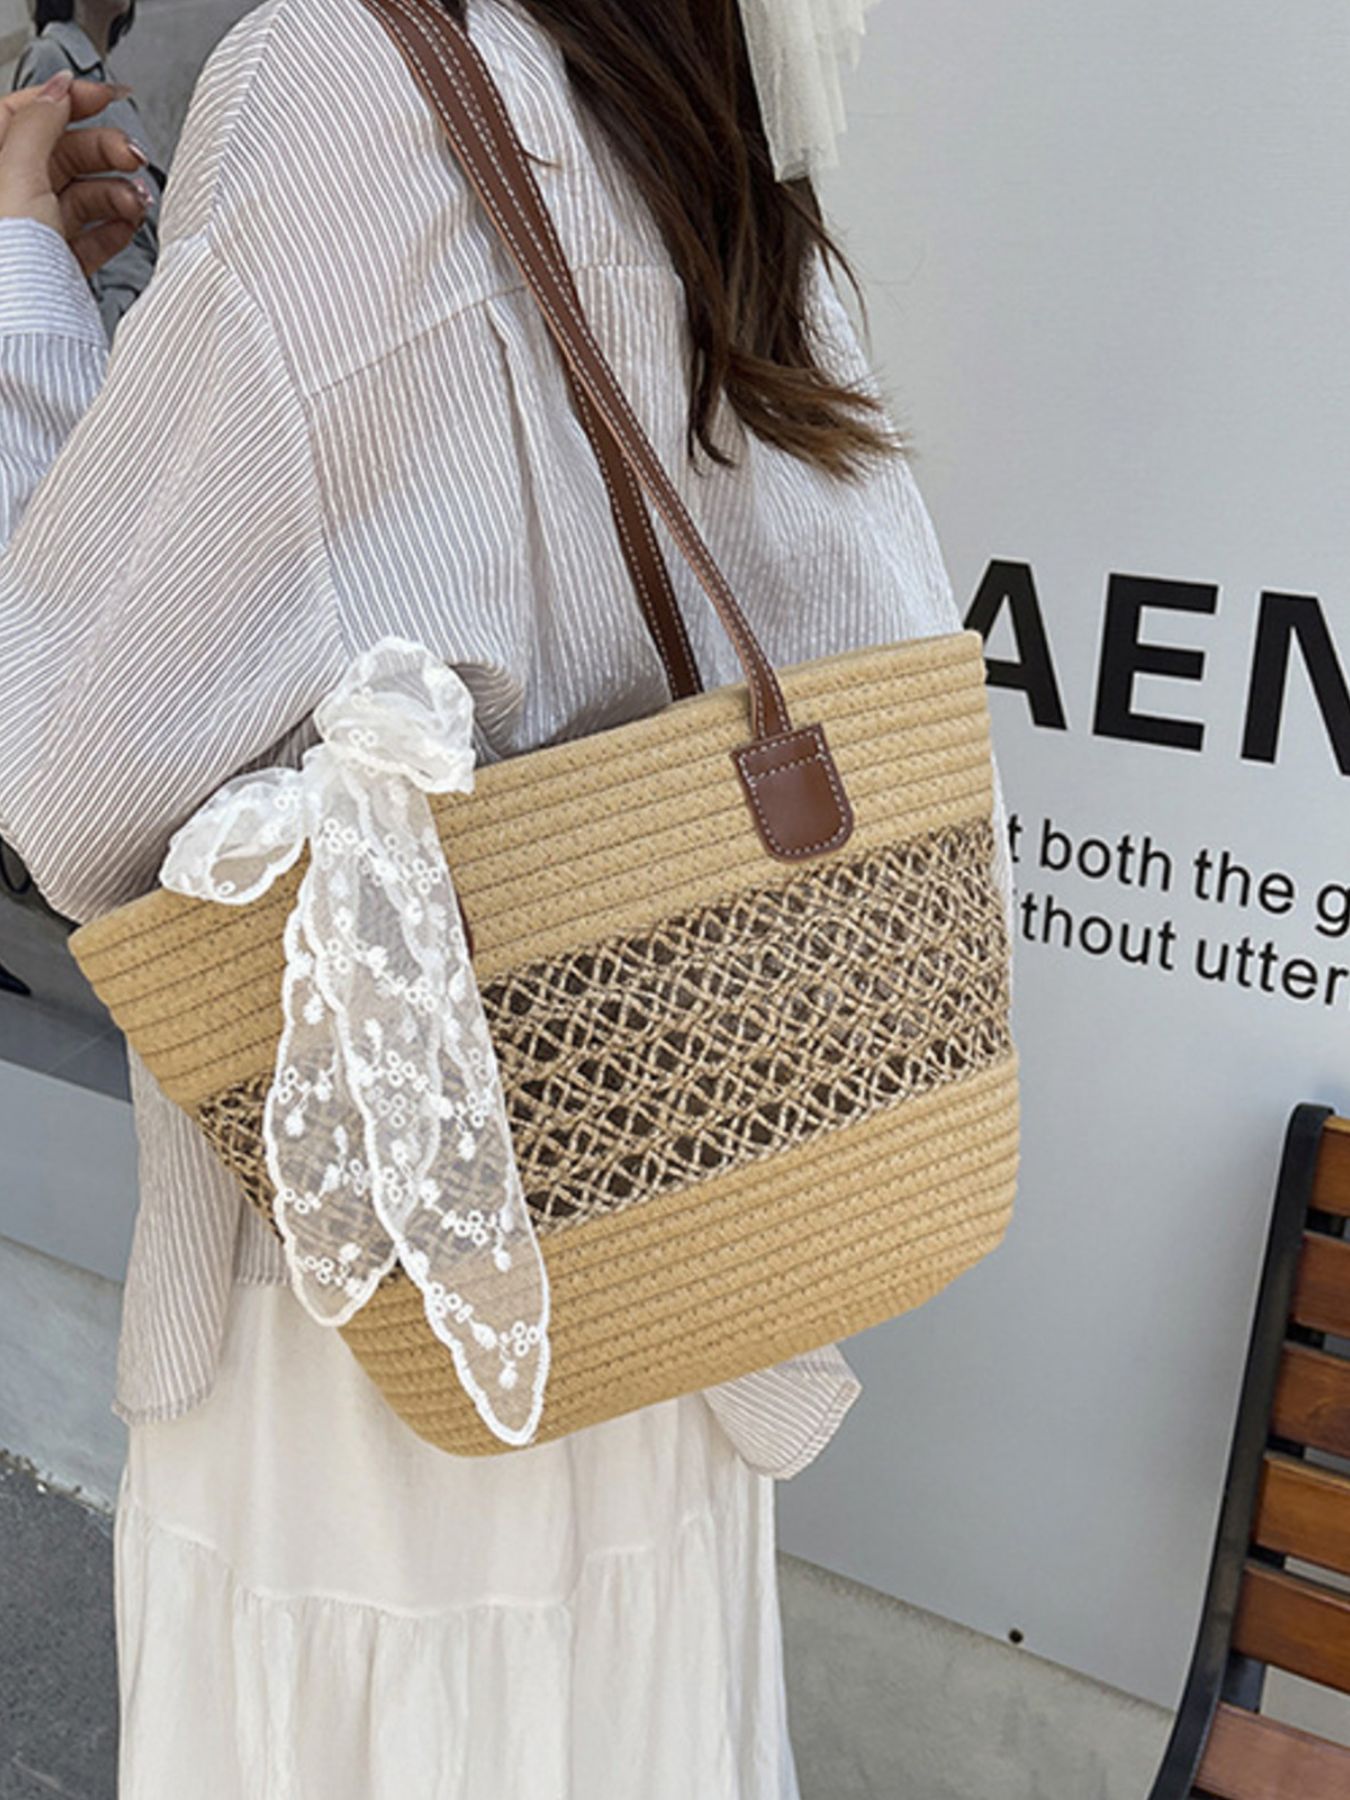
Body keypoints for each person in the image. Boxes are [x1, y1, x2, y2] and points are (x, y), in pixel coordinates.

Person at [0, 4, 1015, 1795]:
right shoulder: (684, 72)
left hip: (391, 1302)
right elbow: (860, 618)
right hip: (689, 1236)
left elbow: (75, 765)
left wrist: (21, 297)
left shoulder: (331, 76)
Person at [12, 0, 161, 335]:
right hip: (106, 312)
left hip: (140, 301)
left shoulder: (105, 79)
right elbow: (32, 198)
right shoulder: (50, 58)